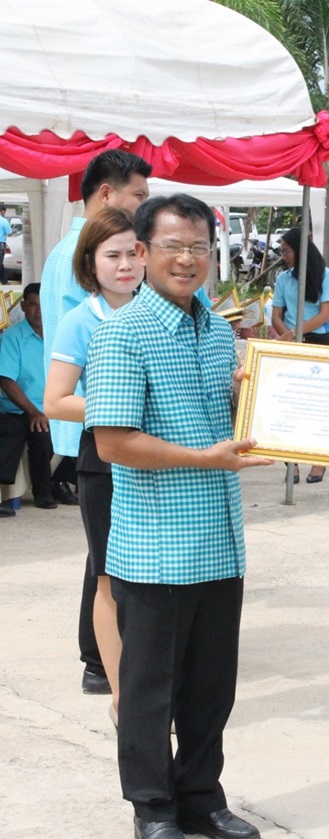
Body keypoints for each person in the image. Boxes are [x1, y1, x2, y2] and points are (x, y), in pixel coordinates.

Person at [85, 193, 273, 839]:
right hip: (156, 548)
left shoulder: (219, 332)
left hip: (220, 542)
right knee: (148, 691)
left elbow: (224, 413)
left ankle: (201, 795)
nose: (188, 259)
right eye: (173, 246)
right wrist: (203, 458)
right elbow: (112, 441)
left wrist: (256, 395)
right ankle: (153, 806)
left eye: (199, 246)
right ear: (142, 252)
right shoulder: (122, 333)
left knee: (210, 687)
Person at [40, 149, 152, 696]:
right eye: (113, 255)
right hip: (99, 446)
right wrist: (120, 406)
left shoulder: (153, 307)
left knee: (127, 563)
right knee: (107, 567)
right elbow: (58, 394)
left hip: (141, 447)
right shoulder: (83, 305)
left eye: (134, 254)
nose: (125, 264)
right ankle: (104, 668)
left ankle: (126, 666)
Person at [0, 284, 77, 512]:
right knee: (40, 434)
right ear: (23, 307)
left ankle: (60, 481)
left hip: (55, 406)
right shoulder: (13, 337)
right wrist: (34, 412)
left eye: (43, 305)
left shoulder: (59, 336)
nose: (39, 311)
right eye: (33, 305)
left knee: (87, 427)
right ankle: (42, 493)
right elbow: (6, 380)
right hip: (19, 408)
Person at [271, 227, 329, 484]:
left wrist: (294, 333)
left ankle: (320, 460)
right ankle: (291, 463)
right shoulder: (283, 278)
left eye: (286, 251)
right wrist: (287, 336)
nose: (283, 256)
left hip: (317, 341)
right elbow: (276, 315)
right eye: (282, 251)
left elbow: (324, 315)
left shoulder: (327, 276)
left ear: (300, 251)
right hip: (290, 341)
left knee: (317, 404)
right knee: (288, 404)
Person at [0, 203, 11, 285]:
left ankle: (4, 280)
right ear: (2, 211)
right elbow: (9, 233)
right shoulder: (4, 221)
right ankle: (4, 281)